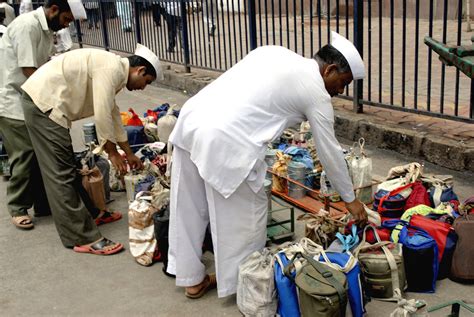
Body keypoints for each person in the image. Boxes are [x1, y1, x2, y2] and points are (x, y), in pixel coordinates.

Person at [167, 31, 368, 298]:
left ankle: (190, 278)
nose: (340, 91)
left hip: (191, 120)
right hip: (225, 141)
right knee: (245, 221)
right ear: (329, 68)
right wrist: (350, 199)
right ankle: (247, 287)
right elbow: (329, 151)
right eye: (342, 82)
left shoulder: (274, 51)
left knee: (188, 206)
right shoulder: (316, 91)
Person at [20, 44, 163, 255]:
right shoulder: (112, 69)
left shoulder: (114, 71)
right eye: (146, 82)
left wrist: (129, 153)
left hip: (47, 104)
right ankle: (81, 236)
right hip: (44, 104)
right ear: (140, 71)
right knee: (61, 174)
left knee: (65, 166)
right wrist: (112, 152)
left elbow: (113, 113)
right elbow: (102, 113)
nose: (143, 87)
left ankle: (91, 212)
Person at [0, 0, 85, 230]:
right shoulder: (27, 26)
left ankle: (41, 202)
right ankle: (17, 206)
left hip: (31, 98)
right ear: (54, 10)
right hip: (13, 102)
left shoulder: (46, 30)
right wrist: (54, 96)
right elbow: (28, 69)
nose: (66, 25)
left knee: (41, 153)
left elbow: (43, 65)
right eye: (66, 19)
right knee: (25, 154)